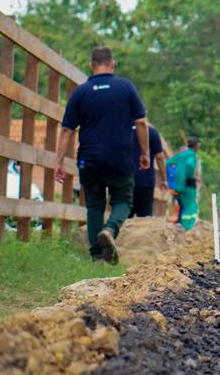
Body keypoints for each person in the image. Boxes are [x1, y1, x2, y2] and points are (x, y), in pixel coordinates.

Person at [54, 47, 149, 264]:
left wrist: (58, 161)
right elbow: (141, 122)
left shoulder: (81, 92)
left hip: (90, 158)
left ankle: (97, 257)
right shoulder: (126, 87)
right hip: (120, 157)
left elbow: (67, 129)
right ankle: (110, 229)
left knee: (95, 206)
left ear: (91, 66)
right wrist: (145, 152)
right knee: (123, 199)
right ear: (112, 64)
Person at [131, 122, 167, 218]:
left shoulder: (122, 130)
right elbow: (160, 157)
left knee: (122, 216)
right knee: (144, 219)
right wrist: (164, 180)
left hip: (124, 181)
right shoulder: (152, 132)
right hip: (145, 181)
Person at [166, 137, 202, 231]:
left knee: (181, 205)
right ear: (196, 146)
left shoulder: (180, 154)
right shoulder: (192, 155)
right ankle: (187, 227)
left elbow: (168, 163)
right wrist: (192, 176)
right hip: (188, 184)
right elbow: (190, 165)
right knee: (190, 206)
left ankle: (180, 223)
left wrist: (170, 177)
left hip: (177, 186)